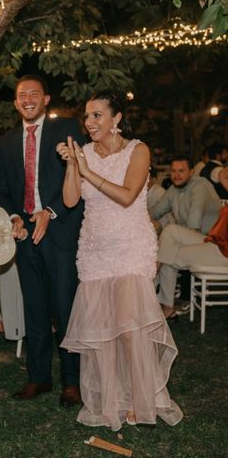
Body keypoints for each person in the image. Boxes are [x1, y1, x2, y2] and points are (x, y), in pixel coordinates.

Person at [57, 90, 183, 431]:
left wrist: (89, 171)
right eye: (87, 116)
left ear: (116, 119)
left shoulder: (137, 150)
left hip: (129, 247)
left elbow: (128, 196)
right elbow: (70, 200)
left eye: (97, 115)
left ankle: (141, 402)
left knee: (130, 330)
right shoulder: (82, 153)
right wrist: (73, 165)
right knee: (103, 332)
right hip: (95, 249)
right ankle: (109, 402)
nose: (89, 122)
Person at [0, 74, 84, 406]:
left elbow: (80, 178)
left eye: (35, 93)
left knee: (65, 308)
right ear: (16, 103)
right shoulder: (6, 142)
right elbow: (2, 190)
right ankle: (38, 377)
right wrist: (14, 216)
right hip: (24, 236)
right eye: (22, 95)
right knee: (33, 308)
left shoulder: (67, 129)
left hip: (59, 233)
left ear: (46, 99)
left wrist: (51, 210)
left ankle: (72, 382)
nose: (28, 99)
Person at [157, 166, 228, 318]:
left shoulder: (200, 185)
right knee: (171, 230)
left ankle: (160, 301)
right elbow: (220, 175)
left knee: (168, 256)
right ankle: (151, 286)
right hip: (215, 241)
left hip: (223, 252)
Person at [149, 156, 221, 235]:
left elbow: (194, 222)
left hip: (209, 239)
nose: (177, 175)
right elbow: (155, 212)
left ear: (191, 172)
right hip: (187, 237)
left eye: (181, 171)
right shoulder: (174, 188)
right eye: (174, 171)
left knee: (170, 230)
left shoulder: (200, 185)